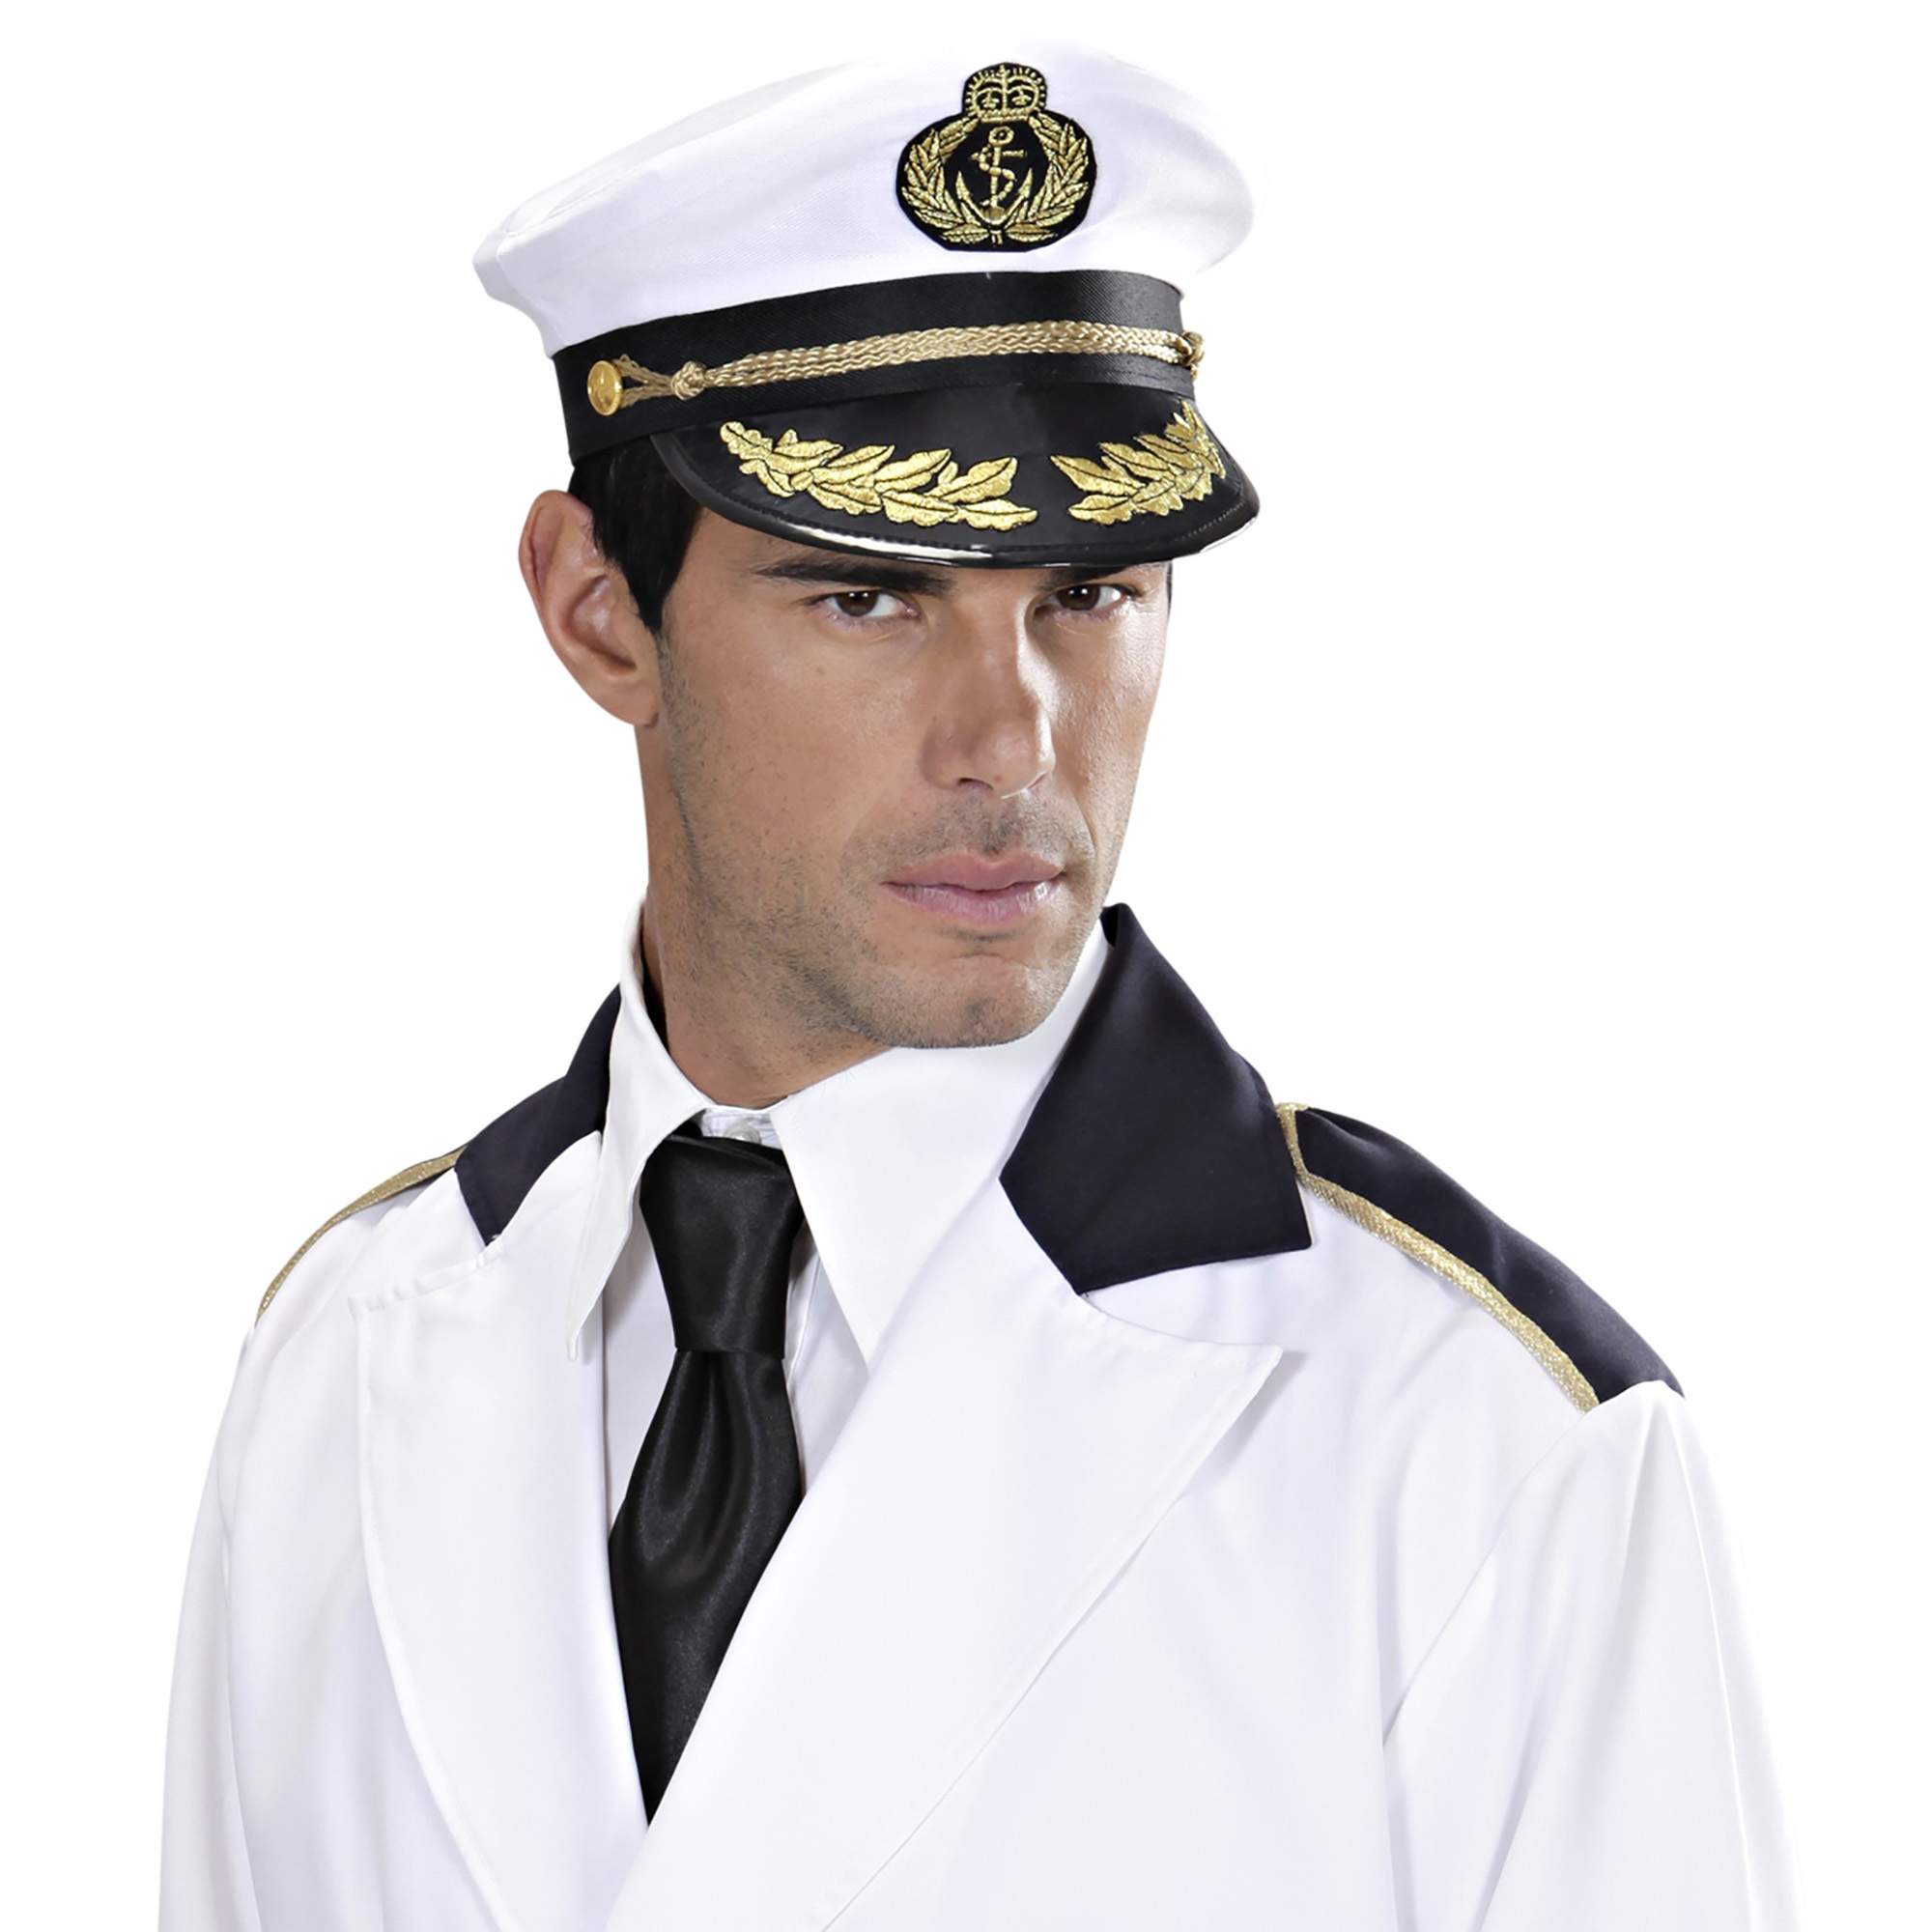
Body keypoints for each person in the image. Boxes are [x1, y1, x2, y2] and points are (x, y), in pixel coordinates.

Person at [159, 44, 1797, 1932]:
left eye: (1086, 594)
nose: (1009, 740)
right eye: (866, 594)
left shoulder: (1483, 1444)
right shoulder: (339, 1357)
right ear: (599, 610)